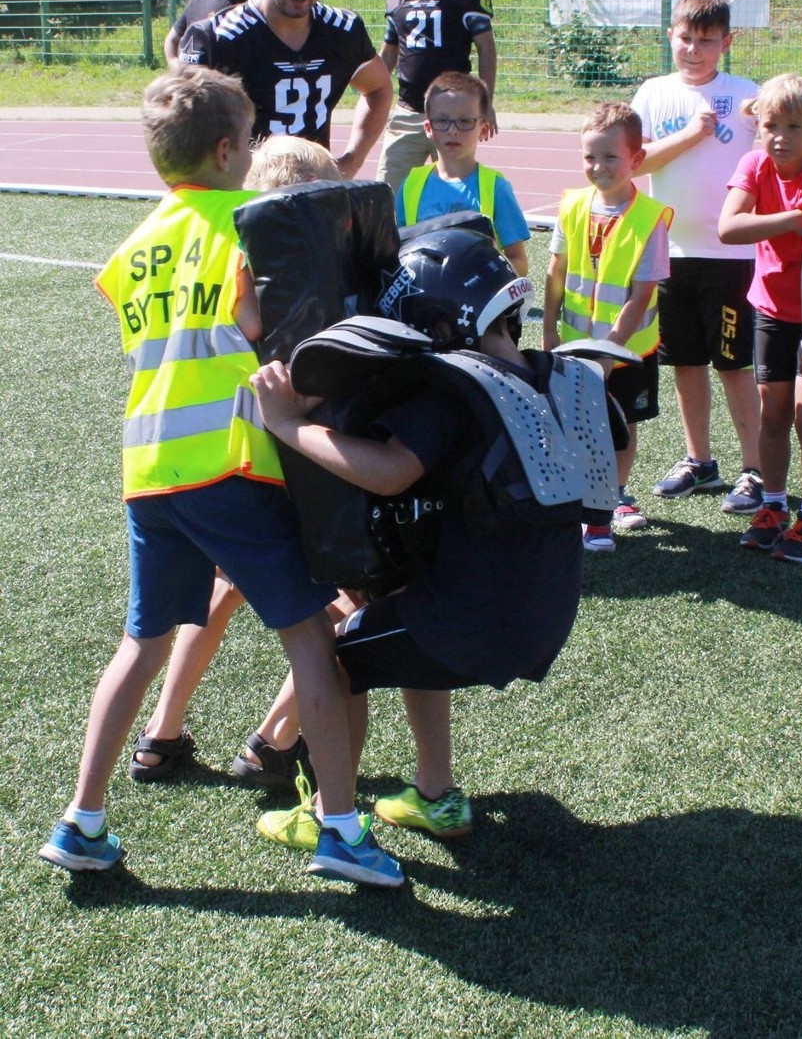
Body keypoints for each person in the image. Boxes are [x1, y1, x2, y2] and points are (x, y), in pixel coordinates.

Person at [38, 69, 402, 888]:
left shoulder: (134, 244)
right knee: (313, 637)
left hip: (148, 464)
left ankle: (82, 820)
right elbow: (262, 328)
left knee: (142, 641)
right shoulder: (248, 226)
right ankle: (341, 832)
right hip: (230, 464)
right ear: (229, 147)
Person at [251, 228, 602, 851]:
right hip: (549, 608)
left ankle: (331, 816)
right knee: (410, 610)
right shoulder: (558, 375)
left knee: (330, 655)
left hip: (481, 624)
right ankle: (434, 794)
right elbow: (611, 457)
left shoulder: (451, 387)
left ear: (438, 325)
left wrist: (286, 424)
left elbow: (389, 472)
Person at [127, 134, 345, 787]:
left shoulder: (223, 250)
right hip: (277, 465)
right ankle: (274, 743)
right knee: (352, 608)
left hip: (208, 461)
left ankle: (161, 734)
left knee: (220, 588)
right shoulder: (302, 278)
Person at [631, 0, 763, 515]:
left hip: (731, 256)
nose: (693, 49)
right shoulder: (654, 91)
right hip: (670, 252)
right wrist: (690, 135)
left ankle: (754, 468)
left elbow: (769, 157)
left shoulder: (747, 94)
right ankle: (700, 461)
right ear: (671, 36)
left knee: (734, 365)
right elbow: (636, 162)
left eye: (707, 41)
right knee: (685, 362)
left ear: (726, 43)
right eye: (685, 38)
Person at [718, 74, 802, 563]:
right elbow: (729, 228)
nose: (781, 136)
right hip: (770, 310)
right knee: (772, 415)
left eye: (794, 126)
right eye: (771, 124)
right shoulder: (753, 165)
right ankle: (772, 508)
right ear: (757, 123)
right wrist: (791, 219)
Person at [543, 102, 671, 552]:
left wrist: (612, 348)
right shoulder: (573, 205)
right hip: (576, 348)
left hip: (626, 351)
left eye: (610, 157)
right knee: (578, 426)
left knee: (620, 424)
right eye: (589, 157)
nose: (598, 167)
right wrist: (549, 332)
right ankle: (585, 502)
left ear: (637, 159)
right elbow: (555, 272)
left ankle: (610, 503)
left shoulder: (650, 217)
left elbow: (641, 293)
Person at [179, 0, 392, 175]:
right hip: (241, 195)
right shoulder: (216, 38)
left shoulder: (343, 29)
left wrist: (352, 161)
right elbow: (183, 130)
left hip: (312, 196)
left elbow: (379, 88)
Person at [376, 0, 497, 192]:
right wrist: (368, 93)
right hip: (407, 112)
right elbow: (387, 57)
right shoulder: (397, 0)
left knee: (457, 191)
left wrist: (485, 103)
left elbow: (487, 50)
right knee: (386, 193)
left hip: (452, 115)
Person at [396, 71, 529, 275]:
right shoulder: (411, 185)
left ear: (483, 130)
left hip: (480, 302)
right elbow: (399, 252)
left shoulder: (496, 188)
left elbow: (517, 259)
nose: (453, 130)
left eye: (465, 121)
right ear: (428, 128)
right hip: (422, 300)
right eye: (442, 120)